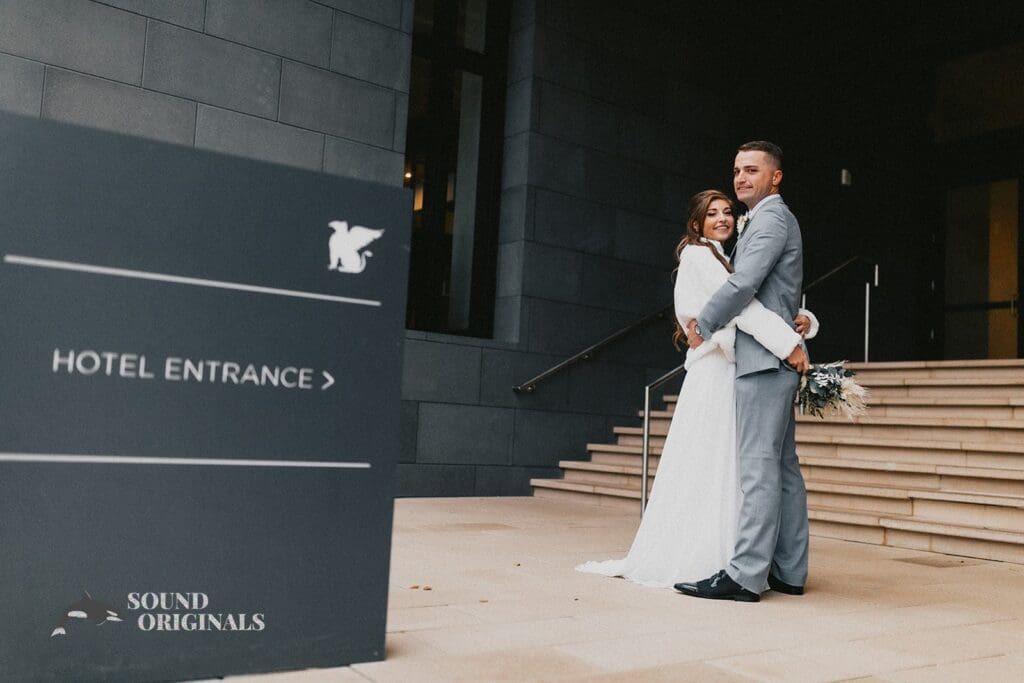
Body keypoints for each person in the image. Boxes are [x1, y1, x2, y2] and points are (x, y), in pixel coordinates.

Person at [575, 186, 816, 588]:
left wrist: (805, 318)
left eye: (727, 212)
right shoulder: (698, 256)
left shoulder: (724, 256)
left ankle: (737, 558)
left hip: (731, 368)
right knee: (713, 463)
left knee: (729, 465)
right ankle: (713, 558)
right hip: (717, 371)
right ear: (696, 223)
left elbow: (769, 296)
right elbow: (743, 306)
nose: (722, 218)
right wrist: (787, 343)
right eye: (712, 214)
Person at [676, 141, 809, 602]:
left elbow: (744, 283)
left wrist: (703, 323)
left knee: (759, 468)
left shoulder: (771, 218)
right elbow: (778, 290)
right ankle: (789, 570)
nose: (740, 178)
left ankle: (745, 575)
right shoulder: (766, 219)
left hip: (761, 360)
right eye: (736, 170)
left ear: (776, 177)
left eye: (752, 170)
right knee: (783, 467)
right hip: (771, 358)